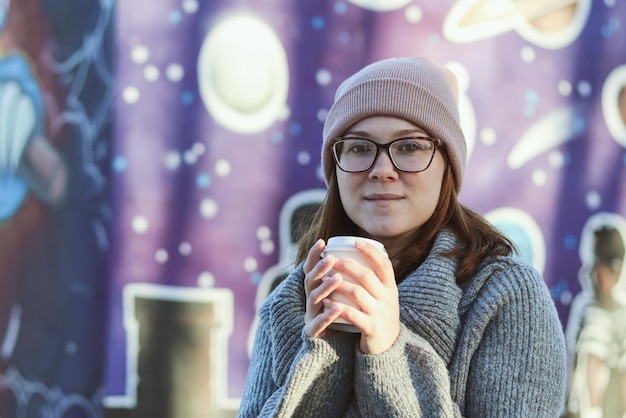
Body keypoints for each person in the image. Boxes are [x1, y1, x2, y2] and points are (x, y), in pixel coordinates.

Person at [237, 56, 567, 417]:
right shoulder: (290, 301)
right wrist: (322, 352)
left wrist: (389, 353)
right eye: (360, 147)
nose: (382, 170)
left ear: (448, 164)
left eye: (409, 147)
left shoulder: (504, 296)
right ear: (336, 167)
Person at [566, 220, 626, 418]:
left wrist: (594, 411)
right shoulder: (586, 308)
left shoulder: (617, 317)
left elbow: (598, 362)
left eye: (595, 262)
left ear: (614, 269)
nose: (588, 272)